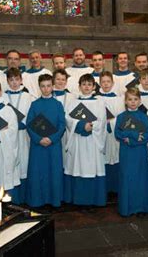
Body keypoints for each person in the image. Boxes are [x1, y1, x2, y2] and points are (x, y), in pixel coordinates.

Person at [64, 74, 107, 207]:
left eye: (89, 84)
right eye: (84, 84)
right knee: (78, 166)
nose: (86, 87)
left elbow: (102, 121)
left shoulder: (99, 102)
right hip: (78, 141)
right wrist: (82, 126)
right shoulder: (73, 102)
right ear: (79, 86)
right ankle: (78, 199)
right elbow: (68, 119)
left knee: (92, 167)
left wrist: (92, 126)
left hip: (93, 141)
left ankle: (94, 199)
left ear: (94, 86)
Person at [26, 74, 66, 208]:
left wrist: (51, 138)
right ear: (39, 87)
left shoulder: (58, 104)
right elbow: (29, 124)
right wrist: (39, 139)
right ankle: (38, 200)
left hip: (53, 145)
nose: (46, 89)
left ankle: (54, 200)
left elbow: (62, 125)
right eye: (43, 86)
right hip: (38, 146)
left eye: (48, 86)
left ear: (53, 86)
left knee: (53, 172)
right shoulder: (34, 104)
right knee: (38, 173)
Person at [115, 88, 148, 217]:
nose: (133, 102)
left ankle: (142, 206)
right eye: (130, 99)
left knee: (141, 178)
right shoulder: (121, 117)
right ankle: (128, 208)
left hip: (140, 152)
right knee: (128, 178)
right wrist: (134, 135)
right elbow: (118, 133)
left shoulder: (144, 116)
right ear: (125, 101)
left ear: (139, 101)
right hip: (127, 153)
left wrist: (131, 139)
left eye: (135, 99)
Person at [4, 67, 34, 203]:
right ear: (7, 81)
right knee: (10, 161)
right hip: (8, 136)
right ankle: (11, 196)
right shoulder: (3, 96)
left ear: (21, 80)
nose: (14, 82)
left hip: (23, 135)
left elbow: (32, 116)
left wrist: (24, 123)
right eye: (11, 80)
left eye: (17, 79)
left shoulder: (28, 96)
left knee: (24, 162)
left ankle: (25, 197)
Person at [96, 71, 125, 194]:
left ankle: (116, 188)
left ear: (113, 83)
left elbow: (123, 118)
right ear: (99, 83)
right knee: (102, 159)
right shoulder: (96, 99)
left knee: (116, 158)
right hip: (100, 134)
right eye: (103, 82)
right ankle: (104, 188)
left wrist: (111, 122)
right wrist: (103, 122)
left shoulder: (119, 99)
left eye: (108, 81)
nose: (106, 84)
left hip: (114, 135)